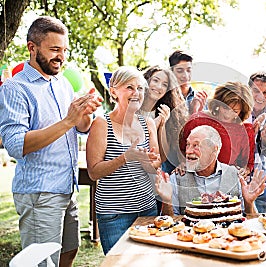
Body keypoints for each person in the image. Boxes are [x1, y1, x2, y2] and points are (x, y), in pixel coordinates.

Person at [0, 16, 103, 267]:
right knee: (43, 263)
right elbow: (16, 144)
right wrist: (69, 120)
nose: (61, 57)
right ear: (32, 48)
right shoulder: (15, 88)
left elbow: (79, 127)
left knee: (69, 251)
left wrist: (84, 115)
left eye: (64, 50)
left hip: (67, 188)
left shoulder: (63, 83)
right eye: (54, 49)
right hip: (40, 192)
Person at [85, 66, 161, 255]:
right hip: (114, 215)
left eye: (140, 88)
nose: (136, 93)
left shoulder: (147, 122)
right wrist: (126, 157)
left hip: (147, 209)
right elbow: (94, 172)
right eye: (129, 87)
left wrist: (148, 161)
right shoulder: (102, 124)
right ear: (114, 92)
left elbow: (156, 163)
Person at [155, 125, 266, 215]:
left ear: (214, 149)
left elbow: (251, 221)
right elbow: (168, 224)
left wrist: (249, 202)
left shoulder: (235, 175)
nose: (188, 151)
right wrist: (167, 201)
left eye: (196, 145)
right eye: (188, 145)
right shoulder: (176, 178)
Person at [180, 81, 255, 174]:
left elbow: (248, 163)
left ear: (242, 111)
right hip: (195, 177)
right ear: (218, 103)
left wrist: (245, 170)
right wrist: (182, 163)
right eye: (225, 108)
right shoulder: (198, 120)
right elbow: (182, 149)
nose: (227, 115)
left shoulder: (245, 131)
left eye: (235, 111)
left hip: (225, 181)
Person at [141, 65, 189, 174]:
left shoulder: (165, 113)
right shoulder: (133, 108)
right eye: (155, 81)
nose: (159, 87)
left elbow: (162, 157)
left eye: (164, 85)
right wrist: (155, 123)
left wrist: (162, 125)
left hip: (151, 172)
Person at [248, 71, 266, 213]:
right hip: (239, 174)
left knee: (262, 215)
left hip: (262, 175)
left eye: (265, 92)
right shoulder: (239, 110)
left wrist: (265, 140)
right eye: (255, 91)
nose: (260, 96)